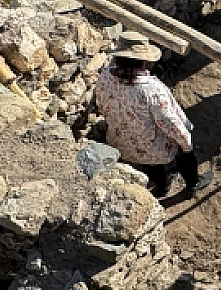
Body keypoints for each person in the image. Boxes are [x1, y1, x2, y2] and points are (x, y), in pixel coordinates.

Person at [92, 32, 214, 198]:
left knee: (147, 158)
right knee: (182, 147)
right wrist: (186, 143)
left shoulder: (104, 77)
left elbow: (102, 106)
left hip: (121, 143)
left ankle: (162, 186)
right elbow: (170, 123)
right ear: (143, 60)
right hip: (155, 149)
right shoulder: (151, 90)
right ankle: (193, 183)